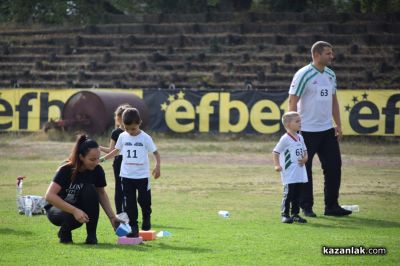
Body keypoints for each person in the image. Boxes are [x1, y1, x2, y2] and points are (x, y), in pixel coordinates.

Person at [288, 41, 351, 217]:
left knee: (333, 167)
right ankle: (306, 207)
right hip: (306, 131)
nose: (332, 56)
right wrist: (292, 128)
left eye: (332, 53)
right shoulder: (303, 74)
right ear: (316, 55)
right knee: (304, 169)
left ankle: (331, 206)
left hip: (327, 130)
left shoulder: (331, 74)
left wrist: (338, 124)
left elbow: (334, 101)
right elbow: (292, 100)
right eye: (328, 53)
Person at [45, 135, 120, 244]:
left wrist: (112, 217)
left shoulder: (97, 170)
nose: (96, 162)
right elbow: (49, 196)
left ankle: (91, 236)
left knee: (91, 189)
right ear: (81, 157)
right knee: (72, 216)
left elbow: (101, 194)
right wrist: (74, 210)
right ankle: (64, 232)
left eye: (98, 158)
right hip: (57, 209)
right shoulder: (65, 169)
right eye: (92, 159)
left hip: (78, 208)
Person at [100, 107, 161, 237]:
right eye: (127, 128)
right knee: (130, 203)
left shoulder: (145, 138)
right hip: (126, 176)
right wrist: (103, 159)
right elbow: (116, 151)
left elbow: (156, 153)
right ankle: (133, 227)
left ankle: (146, 216)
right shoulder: (122, 136)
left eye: (133, 128)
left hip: (142, 176)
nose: (130, 132)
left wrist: (157, 166)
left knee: (144, 200)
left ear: (139, 123)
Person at [273, 111, 308, 224]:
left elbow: (305, 151)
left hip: (299, 171)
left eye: (300, 121)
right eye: (297, 121)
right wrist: (277, 165)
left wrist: (305, 158)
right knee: (289, 194)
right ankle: (285, 214)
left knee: (298, 194)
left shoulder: (300, 137)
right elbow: (276, 152)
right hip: (289, 172)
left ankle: (295, 214)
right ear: (288, 124)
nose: (300, 123)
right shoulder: (285, 139)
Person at [100, 104, 131, 214]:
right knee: (123, 188)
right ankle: (122, 213)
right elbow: (112, 151)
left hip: (126, 162)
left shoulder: (129, 131)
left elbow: (111, 151)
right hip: (123, 162)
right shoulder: (118, 132)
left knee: (125, 188)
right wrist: (99, 148)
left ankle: (125, 212)